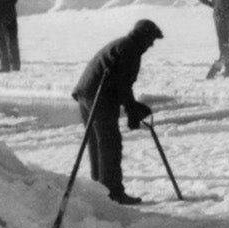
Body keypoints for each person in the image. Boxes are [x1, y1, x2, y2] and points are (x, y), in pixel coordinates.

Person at [70, 19, 164, 206]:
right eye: (151, 40)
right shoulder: (129, 49)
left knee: (98, 142)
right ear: (143, 37)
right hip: (98, 96)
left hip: (87, 93)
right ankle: (112, 192)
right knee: (109, 143)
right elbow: (122, 86)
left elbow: (121, 84)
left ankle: (100, 189)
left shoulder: (124, 45)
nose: (151, 45)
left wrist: (132, 108)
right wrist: (131, 110)